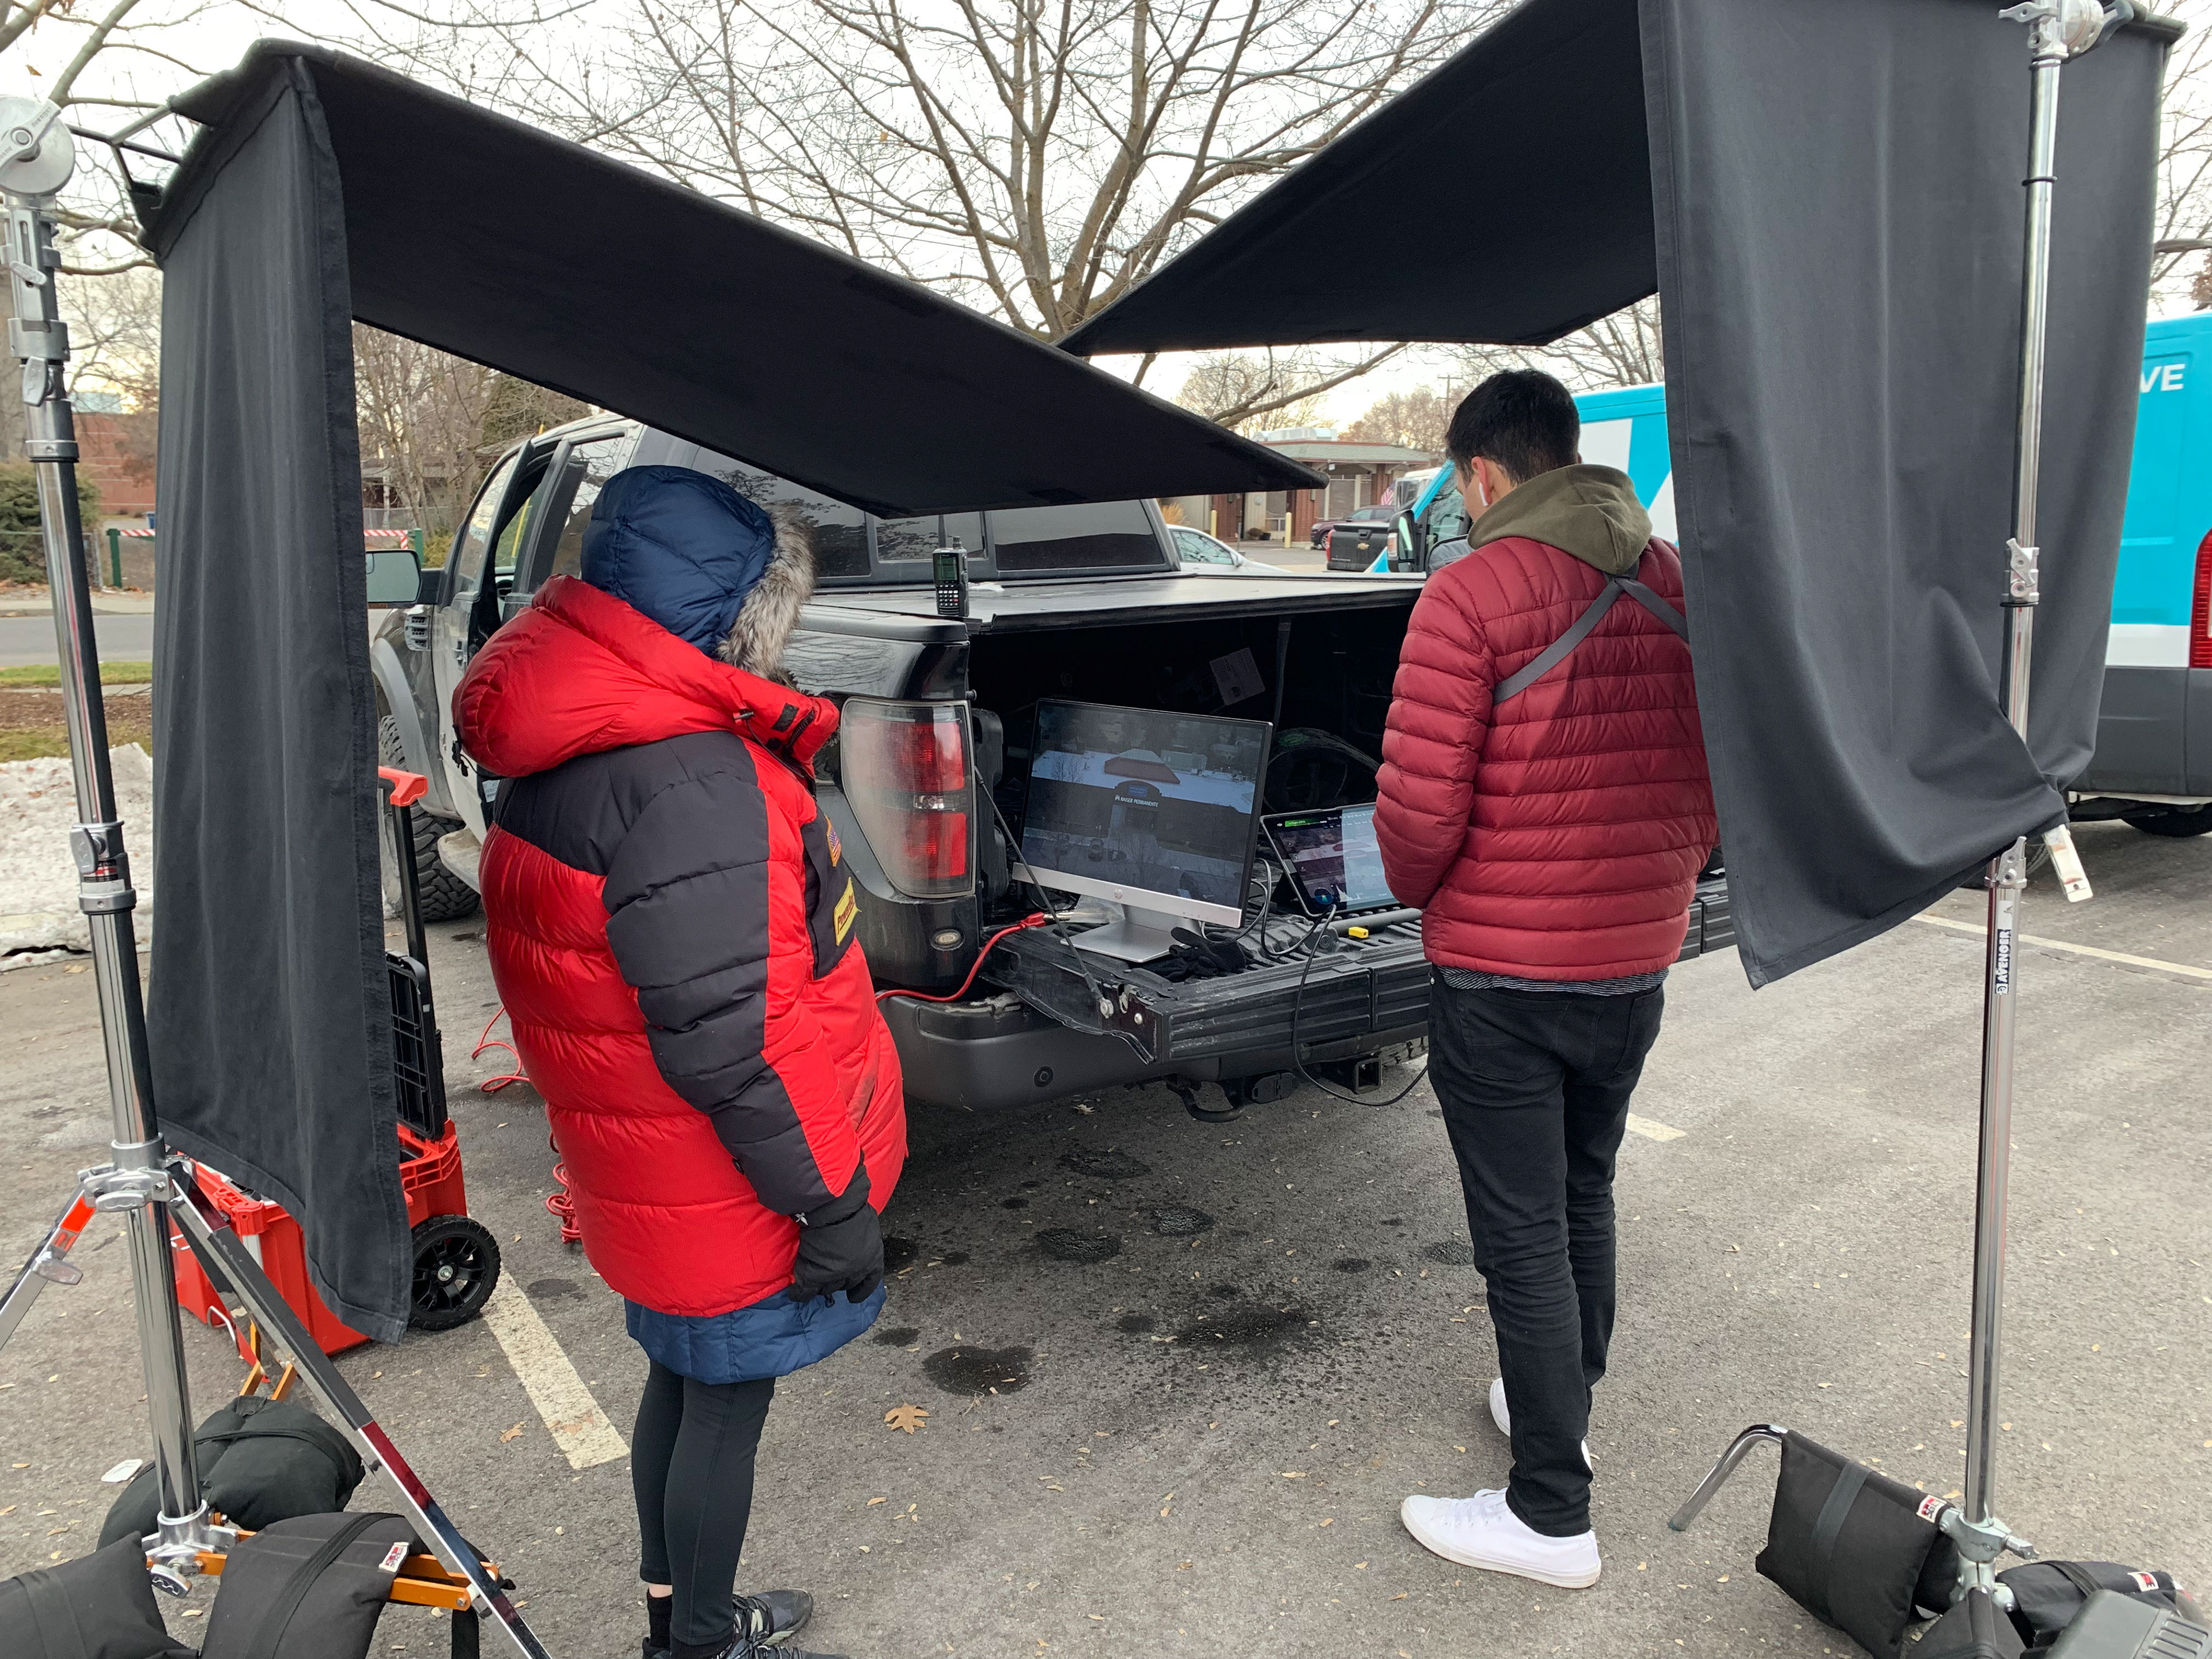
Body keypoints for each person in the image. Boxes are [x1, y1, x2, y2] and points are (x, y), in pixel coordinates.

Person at [454, 465, 905, 1659]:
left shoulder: (573, 736)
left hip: (640, 1151)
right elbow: (738, 1036)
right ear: (737, 619)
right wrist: (831, 1201)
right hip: (723, 1170)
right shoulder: (697, 778)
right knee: (723, 1401)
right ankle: (699, 1641)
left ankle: (680, 1618)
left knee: (686, 1374)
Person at [1375, 370, 1715, 1590]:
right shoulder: (1676, 580)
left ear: (1480, 474)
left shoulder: (1468, 595)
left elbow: (1417, 825)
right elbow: (1715, 769)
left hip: (1502, 977)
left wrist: (1428, 894)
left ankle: (1550, 1516)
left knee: (1521, 1235)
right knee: (1583, 1190)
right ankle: (1556, 1401)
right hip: (1635, 960)